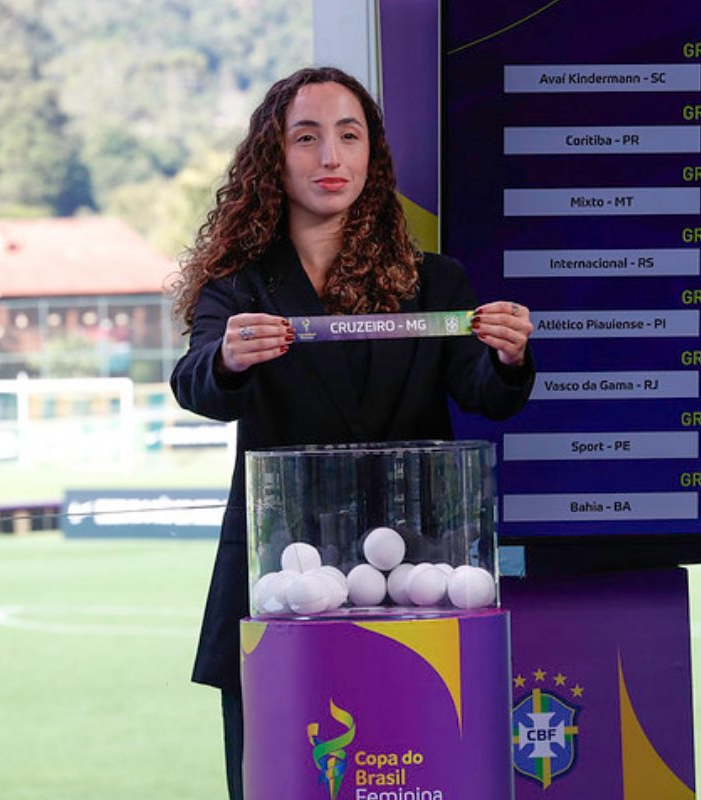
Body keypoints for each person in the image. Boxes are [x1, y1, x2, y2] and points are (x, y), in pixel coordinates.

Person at [168, 65, 534, 799]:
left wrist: (511, 354)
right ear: (274, 157)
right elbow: (196, 383)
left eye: (348, 136)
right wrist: (229, 360)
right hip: (279, 588)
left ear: (373, 155)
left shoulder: (434, 283)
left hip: (417, 584)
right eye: (307, 138)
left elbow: (485, 394)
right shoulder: (237, 287)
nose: (330, 158)